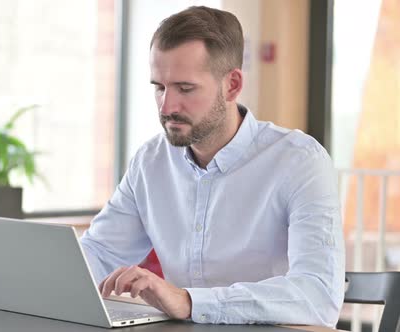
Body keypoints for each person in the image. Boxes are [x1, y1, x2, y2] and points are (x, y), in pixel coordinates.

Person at [79, 5, 344, 327]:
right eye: (159, 87)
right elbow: (100, 252)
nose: (167, 107)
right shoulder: (150, 162)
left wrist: (189, 301)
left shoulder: (300, 161)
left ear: (231, 85)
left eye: (185, 88)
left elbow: (317, 296)